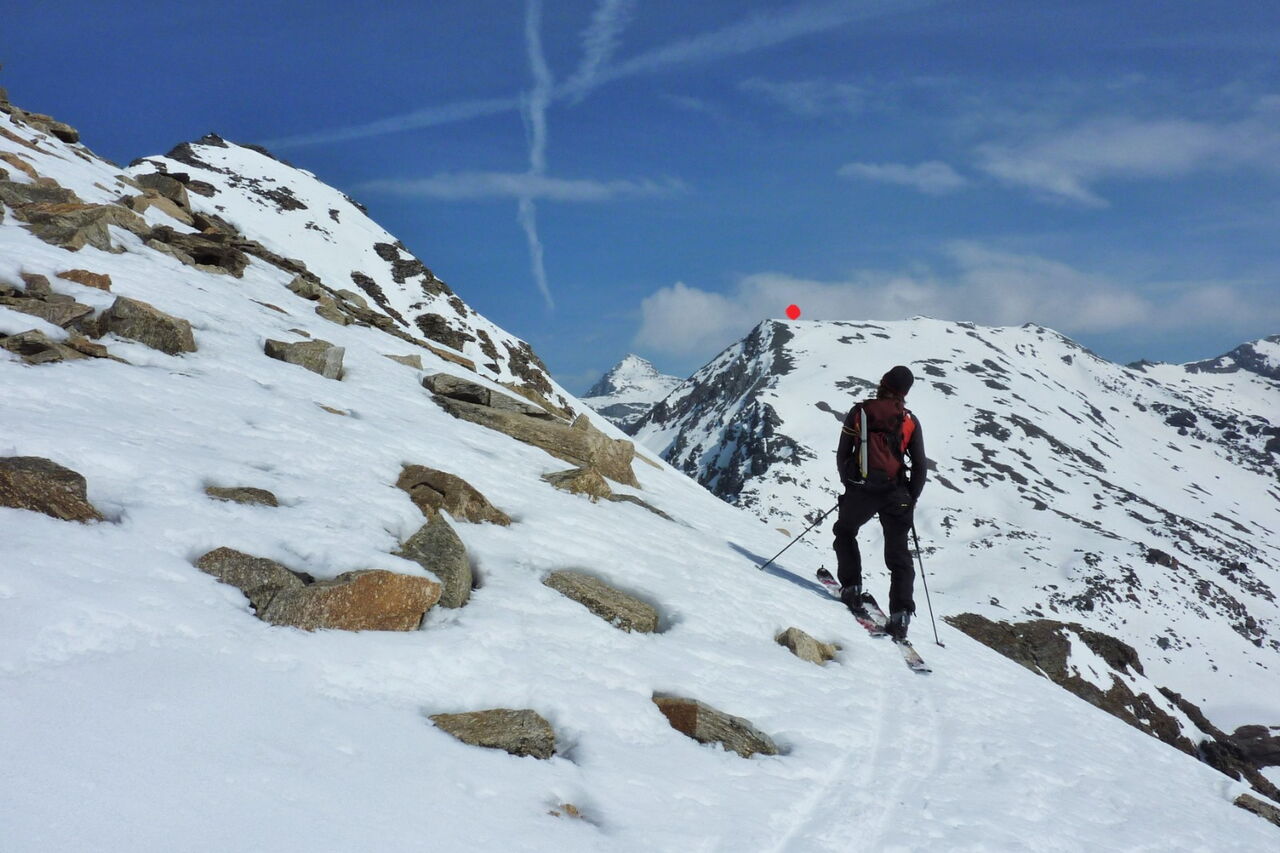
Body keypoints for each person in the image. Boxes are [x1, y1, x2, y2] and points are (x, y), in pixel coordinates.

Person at [832, 365, 927, 641]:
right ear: (905, 393)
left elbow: (843, 453)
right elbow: (920, 466)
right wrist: (911, 497)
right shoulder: (909, 421)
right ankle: (901, 615)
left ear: (882, 384)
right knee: (899, 555)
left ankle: (851, 587)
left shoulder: (860, 412)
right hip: (896, 494)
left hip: (862, 490)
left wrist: (850, 482)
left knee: (845, 531)